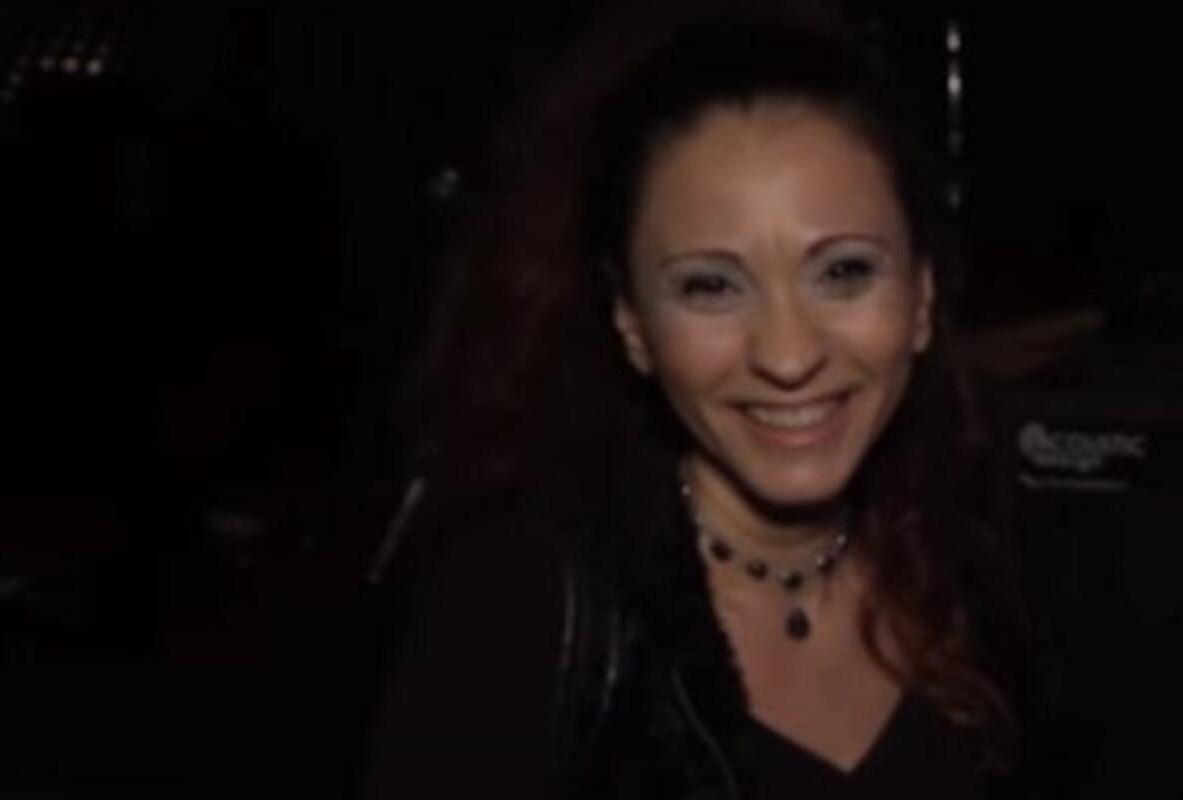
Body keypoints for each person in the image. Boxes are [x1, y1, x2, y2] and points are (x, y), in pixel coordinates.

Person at [364, 6, 1028, 798]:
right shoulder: (517, 610)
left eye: (844, 272)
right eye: (711, 286)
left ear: (921, 295)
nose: (788, 356)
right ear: (632, 325)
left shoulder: (984, 560)